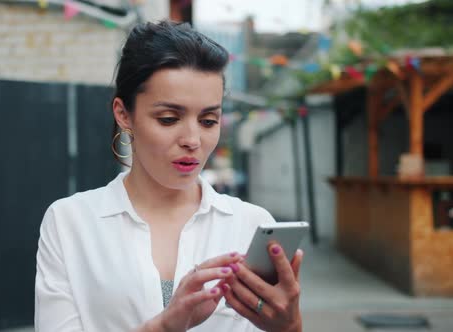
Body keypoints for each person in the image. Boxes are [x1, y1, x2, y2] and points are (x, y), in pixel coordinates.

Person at [34, 21, 304, 332]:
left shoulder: (250, 224)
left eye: (208, 120)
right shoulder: (70, 222)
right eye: (169, 118)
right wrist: (162, 327)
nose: (192, 139)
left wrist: (290, 327)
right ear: (124, 114)